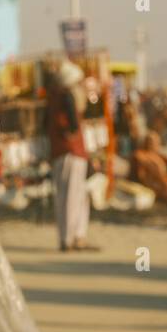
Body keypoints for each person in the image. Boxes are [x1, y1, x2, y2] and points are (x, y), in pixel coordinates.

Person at [44, 61, 95, 252]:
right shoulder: (66, 97)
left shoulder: (53, 98)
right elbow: (72, 125)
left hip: (62, 152)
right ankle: (69, 238)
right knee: (72, 196)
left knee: (72, 196)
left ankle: (75, 236)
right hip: (71, 151)